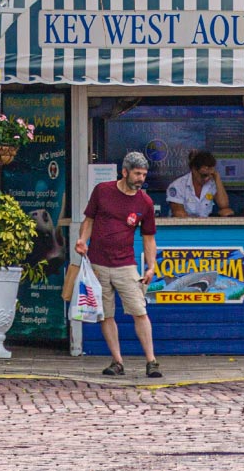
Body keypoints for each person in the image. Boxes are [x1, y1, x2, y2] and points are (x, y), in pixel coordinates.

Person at [76, 151, 162, 378]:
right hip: (98, 263)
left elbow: (149, 237)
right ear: (124, 172)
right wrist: (82, 240)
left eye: (143, 174)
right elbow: (89, 220)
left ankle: (151, 362)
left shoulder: (145, 202)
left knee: (139, 311)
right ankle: (117, 361)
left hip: (125, 264)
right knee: (106, 314)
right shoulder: (102, 191)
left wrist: (151, 266)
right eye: (136, 173)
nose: (140, 178)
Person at [165, 150, 234, 218]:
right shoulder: (177, 185)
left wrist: (217, 177)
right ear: (194, 170)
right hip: (184, 226)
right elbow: (179, 213)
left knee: (227, 212)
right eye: (204, 175)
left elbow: (224, 205)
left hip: (205, 225)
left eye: (210, 175)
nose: (207, 179)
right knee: (180, 214)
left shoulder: (212, 183)